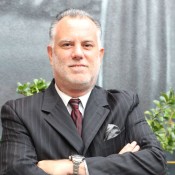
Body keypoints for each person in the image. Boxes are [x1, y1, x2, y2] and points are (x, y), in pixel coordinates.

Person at [0, 8, 166, 175]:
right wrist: (117, 165)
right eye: (67, 44)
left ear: (100, 55)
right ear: (51, 54)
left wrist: (75, 167)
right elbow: (16, 171)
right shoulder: (20, 112)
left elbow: (155, 161)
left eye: (87, 45)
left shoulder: (125, 104)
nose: (78, 53)